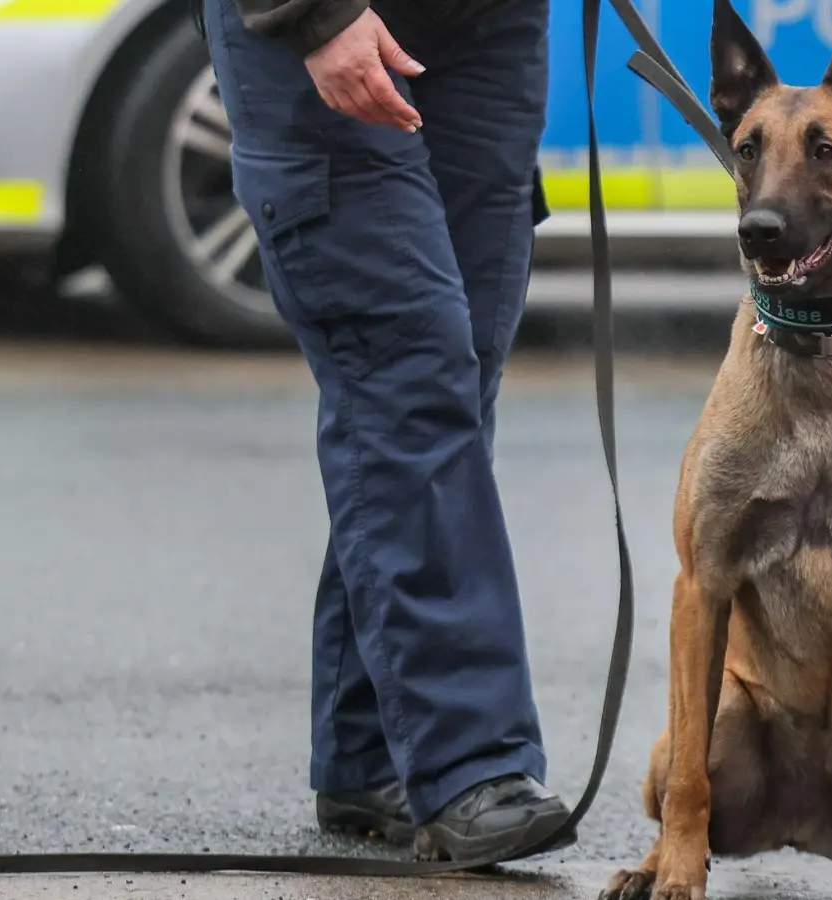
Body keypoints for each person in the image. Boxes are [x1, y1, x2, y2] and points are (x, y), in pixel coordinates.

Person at [194, 0, 572, 861]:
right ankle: (471, 762)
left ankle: (368, 753)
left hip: (489, 27)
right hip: (313, 26)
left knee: (456, 384)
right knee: (407, 371)